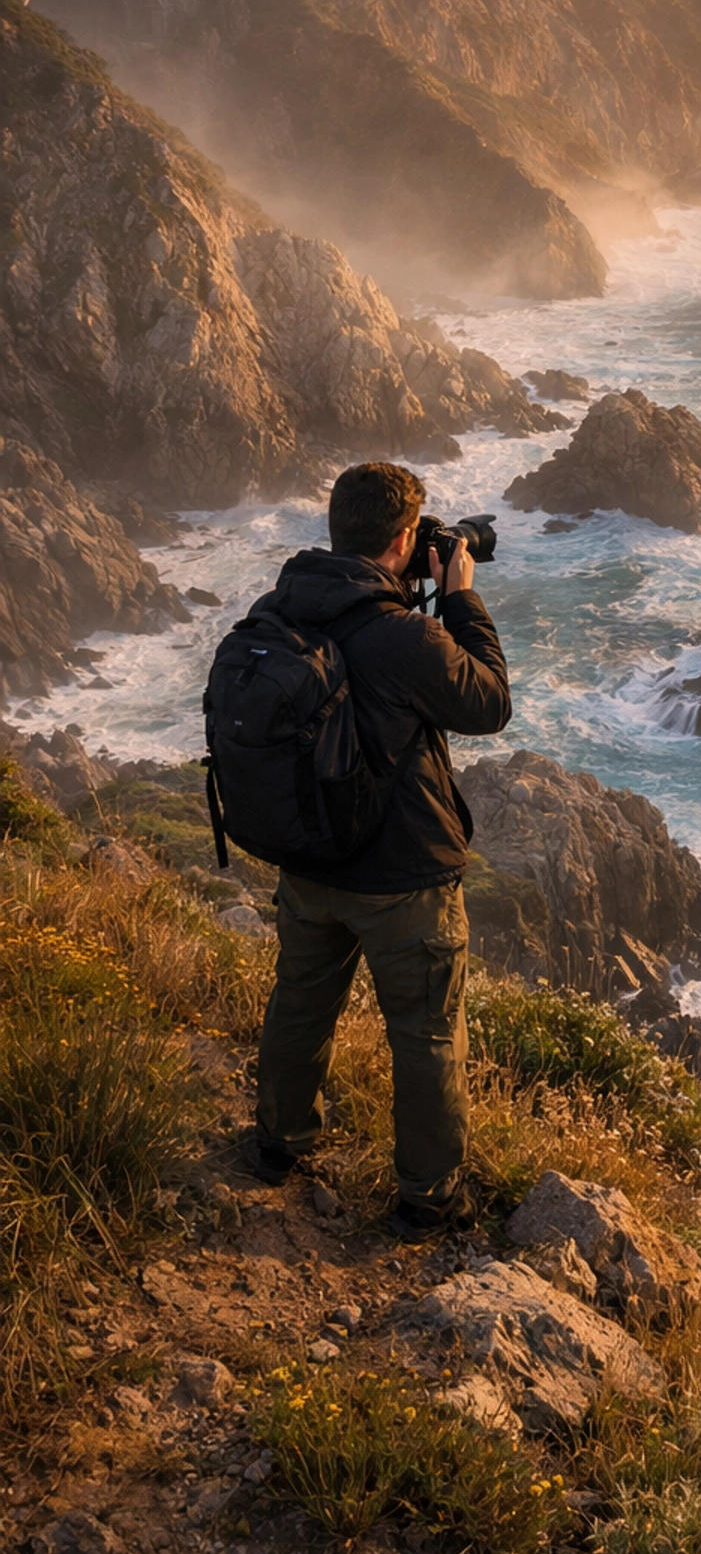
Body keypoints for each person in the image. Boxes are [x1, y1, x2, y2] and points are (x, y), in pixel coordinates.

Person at [247, 461, 510, 1239]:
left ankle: (276, 1145)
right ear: (403, 542)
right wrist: (459, 594)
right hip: (400, 878)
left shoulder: (285, 606)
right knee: (427, 1035)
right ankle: (428, 1198)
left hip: (308, 859)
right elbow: (489, 701)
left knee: (300, 1003)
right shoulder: (404, 636)